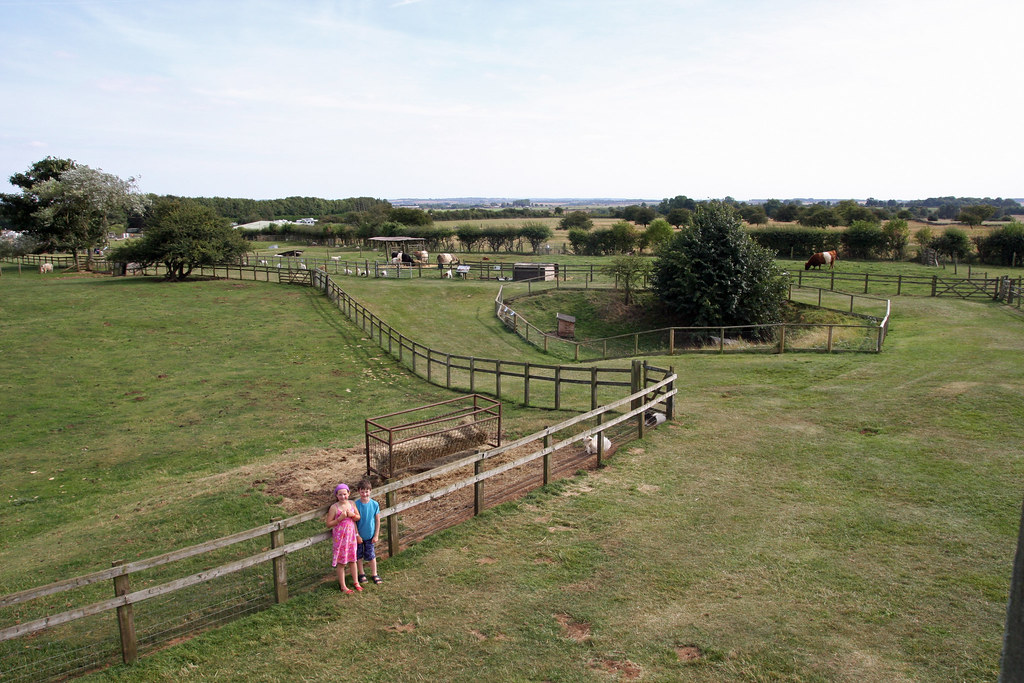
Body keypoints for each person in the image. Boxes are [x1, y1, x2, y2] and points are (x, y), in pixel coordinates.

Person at [325, 483, 361, 594]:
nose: (343, 497)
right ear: (336, 495)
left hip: (351, 537)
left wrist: (352, 515)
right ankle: (343, 586)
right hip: (340, 539)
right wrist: (339, 519)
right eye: (340, 495)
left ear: (349, 493)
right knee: (342, 562)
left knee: (353, 560)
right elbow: (328, 524)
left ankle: (356, 582)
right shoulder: (334, 508)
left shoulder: (352, 504)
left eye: (345, 494)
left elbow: (358, 517)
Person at [354, 479, 383, 585]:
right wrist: (357, 535)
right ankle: (361, 574)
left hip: (370, 535)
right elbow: (353, 522)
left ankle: (374, 573)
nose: (364, 494)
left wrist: (376, 535)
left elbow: (377, 520)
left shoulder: (375, 504)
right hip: (359, 536)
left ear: (370, 491)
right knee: (359, 556)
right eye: (362, 492)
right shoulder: (356, 505)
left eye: (367, 491)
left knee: (371, 555)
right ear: (359, 491)